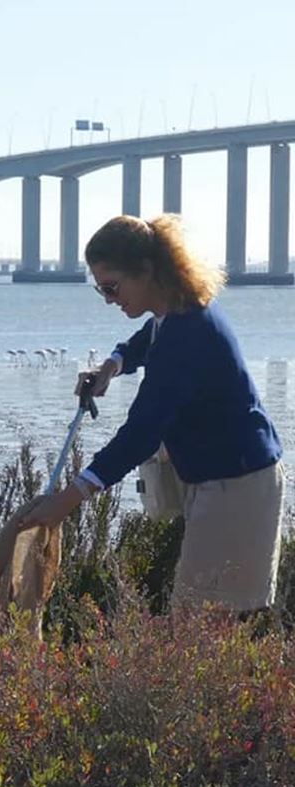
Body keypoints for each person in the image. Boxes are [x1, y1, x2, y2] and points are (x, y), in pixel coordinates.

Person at [20, 214, 284, 616]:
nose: (108, 298)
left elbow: (141, 434)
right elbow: (147, 339)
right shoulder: (175, 313)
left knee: (200, 627)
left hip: (237, 484)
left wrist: (68, 500)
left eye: (112, 286)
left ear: (145, 271)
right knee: (204, 625)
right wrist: (112, 365)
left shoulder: (187, 334)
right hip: (223, 479)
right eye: (100, 289)